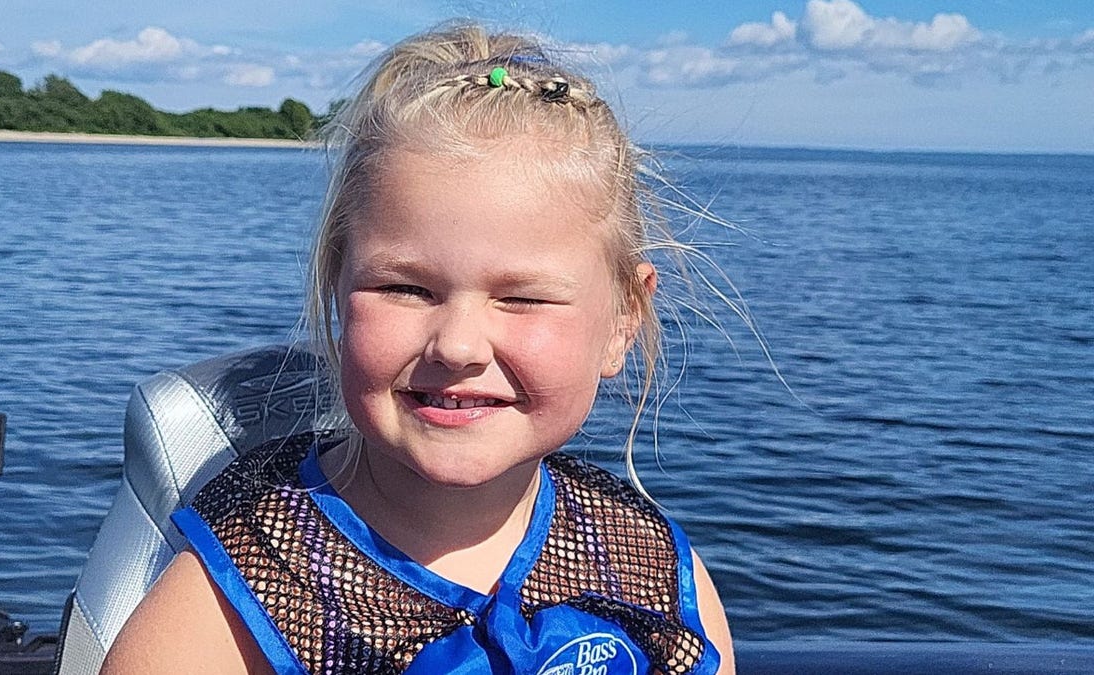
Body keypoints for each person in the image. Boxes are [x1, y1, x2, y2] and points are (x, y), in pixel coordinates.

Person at [103, 22, 734, 675]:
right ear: (337, 291)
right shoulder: (242, 594)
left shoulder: (653, 572)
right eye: (404, 288)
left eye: (522, 297)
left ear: (623, 320)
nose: (457, 345)